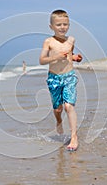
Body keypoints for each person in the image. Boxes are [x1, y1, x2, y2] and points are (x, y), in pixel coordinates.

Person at [39, 9, 82, 151]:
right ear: (51, 26)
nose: (62, 27)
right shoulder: (48, 41)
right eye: (59, 25)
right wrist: (55, 57)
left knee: (69, 106)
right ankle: (58, 120)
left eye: (65, 24)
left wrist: (74, 57)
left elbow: (69, 55)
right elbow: (42, 60)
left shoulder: (71, 40)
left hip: (69, 76)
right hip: (54, 79)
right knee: (58, 109)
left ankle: (74, 137)